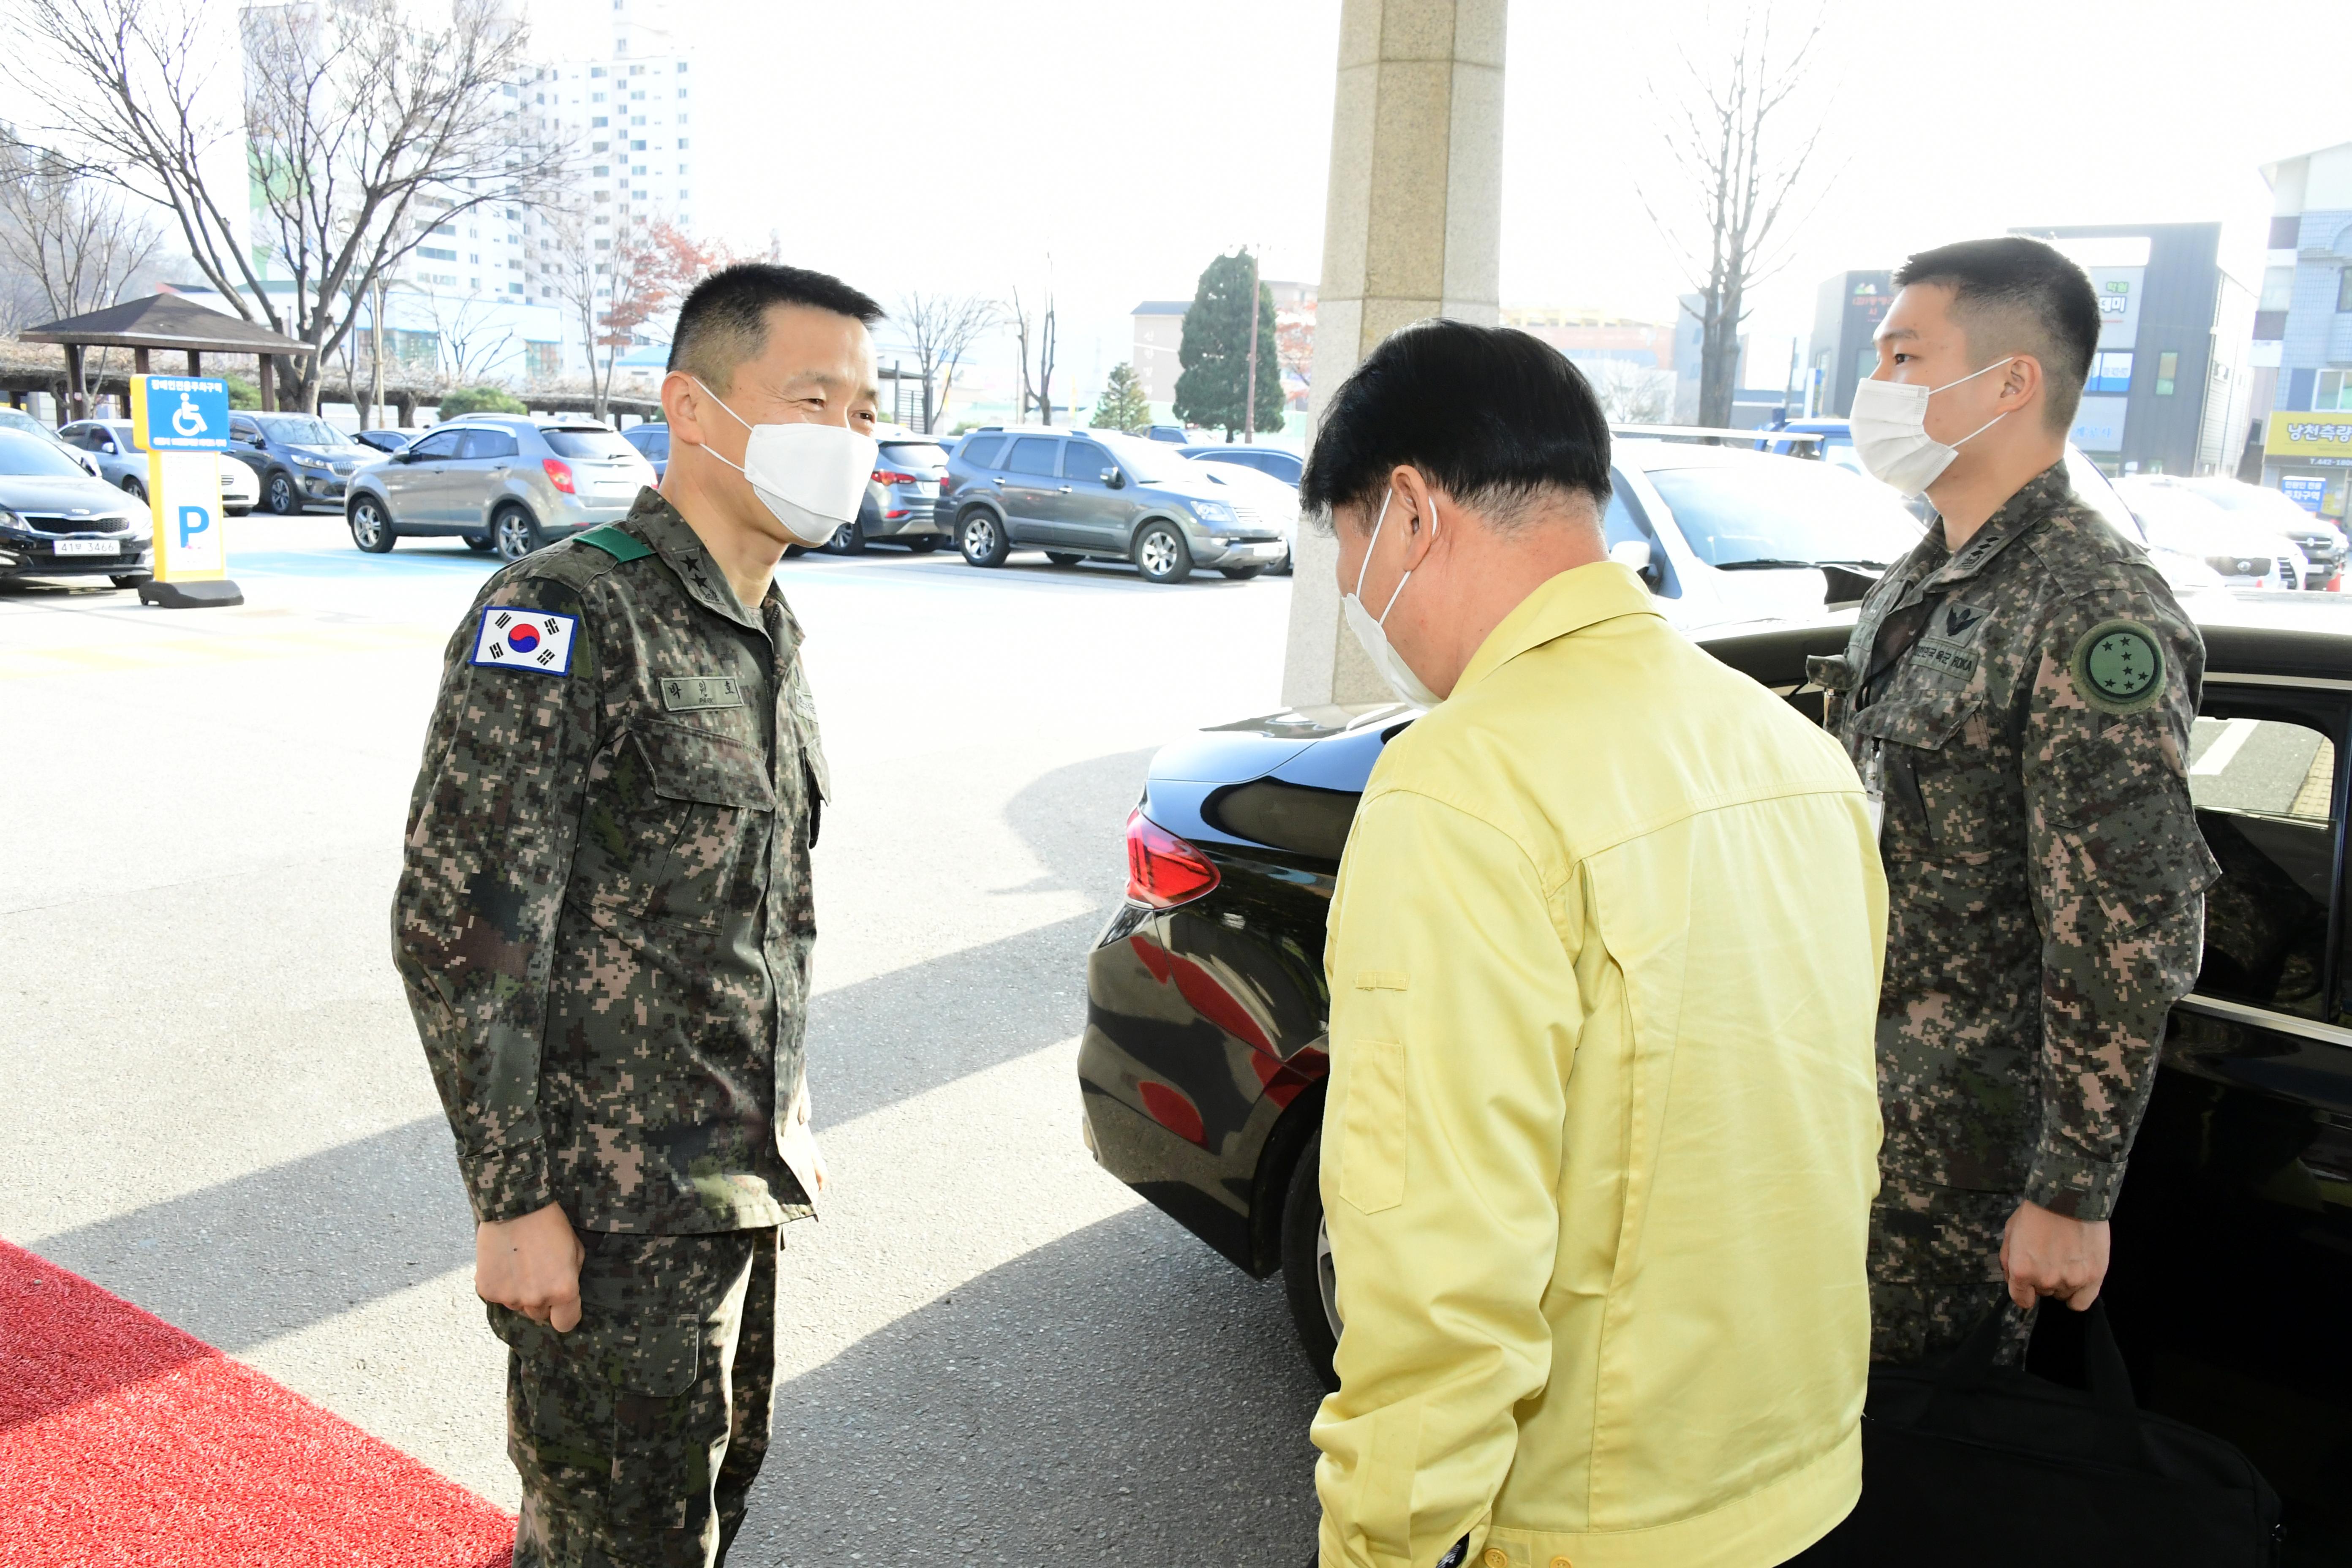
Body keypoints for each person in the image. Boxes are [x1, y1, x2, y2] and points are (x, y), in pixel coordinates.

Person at [1304, 319, 1888, 1568]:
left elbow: (1439, 1261)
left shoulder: (1463, 787)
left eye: (1345, 546)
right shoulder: (1793, 751)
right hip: (1801, 1476)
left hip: (1592, 1518)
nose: (1354, 593)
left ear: (1408, 511)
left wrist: (1386, 1545)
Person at [391, 261, 885, 1566]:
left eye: (867, 414)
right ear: (695, 405)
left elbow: (747, 916)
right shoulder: (567, 609)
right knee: (612, 1547)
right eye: (814, 400)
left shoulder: (764, 628)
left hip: (729, 1193)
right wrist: (510, 1202)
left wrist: (783, 1114)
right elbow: (469, 925)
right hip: (604, 1227)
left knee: (698, 1519)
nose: (846, 440)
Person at [1812, 236, 2219, 1366]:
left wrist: (2073, 1193)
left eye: (1905, 355)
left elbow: (2125, 923)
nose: (1878, 386)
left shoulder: (2090, 608)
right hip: (1866, 1113)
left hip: (1967, 1164)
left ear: (2009, 383)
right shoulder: (1924, 576)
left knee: (1913, 1471)